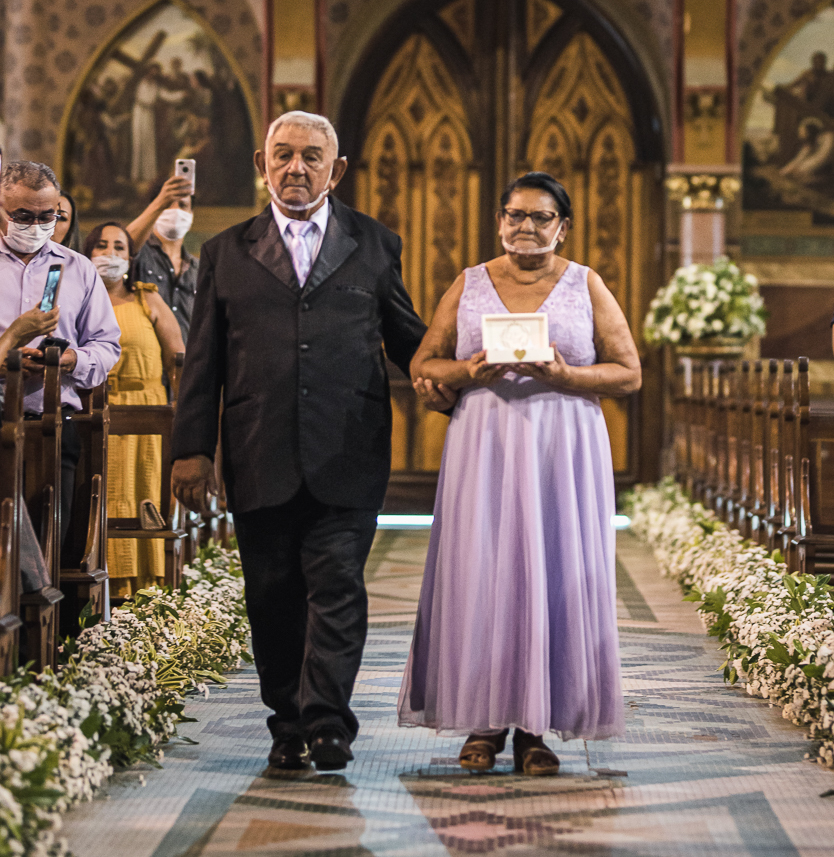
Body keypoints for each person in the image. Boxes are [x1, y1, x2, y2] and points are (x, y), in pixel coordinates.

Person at [170, 110, 433, 774]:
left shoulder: (373, 243)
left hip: (350, 449)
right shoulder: (225, 252)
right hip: (260, 448)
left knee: (339, 583)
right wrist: (192, 448)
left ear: (335, 169)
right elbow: (203, 362)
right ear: (261, 165)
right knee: (272, 594)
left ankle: (328, 724)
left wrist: (466, 384)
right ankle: (286, 721)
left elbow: (407, 339)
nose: (296, 167)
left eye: (311, 156)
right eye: (282, 154)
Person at [398, 172, 642, 774]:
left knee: (555, 572)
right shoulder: (470, 282)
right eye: (515, 216)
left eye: (540, 217)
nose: (525, 227)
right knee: (485, 570)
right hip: (486, 444)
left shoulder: (586, 284)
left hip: (564, 445)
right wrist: (464, 373)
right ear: (500, 221)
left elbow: (629, 371)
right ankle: (484, 719)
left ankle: (536, 728)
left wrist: (568, 377)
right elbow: (423, 362)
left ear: (564, 226)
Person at [0, 161, 121, 542]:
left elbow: (107, 345)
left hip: (54, 421)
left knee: (49, 541)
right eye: (22, 215)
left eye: (47, 216)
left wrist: (71, 360)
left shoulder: (79, 269)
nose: (35, 225)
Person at [85, 221, 184, 597]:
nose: (110, 253)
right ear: (88, 252)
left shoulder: (148, 299)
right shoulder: (78, 302)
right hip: (98, 414)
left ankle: (147, 592)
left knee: (145, 496)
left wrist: (185, 420)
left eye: (119, 247)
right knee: (104, 498)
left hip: (149, 415)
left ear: (131, 257)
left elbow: (179, 361)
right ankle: (105, 590)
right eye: (101, 245)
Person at [127, 175, 198, 343]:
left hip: (185, 363)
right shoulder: (140, 253)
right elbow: (123, 248)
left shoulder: (199, 268)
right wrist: (160, 202)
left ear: (191, 213)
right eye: (168, 205)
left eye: (182, 205)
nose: (175, 211)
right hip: (146, 362)